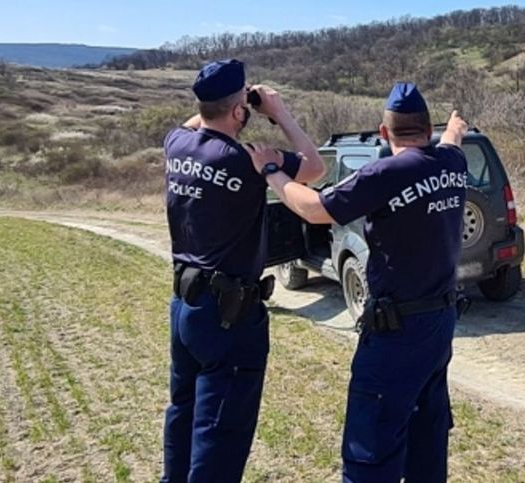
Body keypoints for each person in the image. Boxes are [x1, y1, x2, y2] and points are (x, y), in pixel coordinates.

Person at [247, 82, 469, 483]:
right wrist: (454, 126)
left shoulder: (387, 171)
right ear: (428, 129)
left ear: (384, 134)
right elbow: (453, 139)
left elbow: (314, 209)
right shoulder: (452, 162)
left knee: (371, 453)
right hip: (438, 325)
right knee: (427, 441)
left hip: (396, 334)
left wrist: (271, 171)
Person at [161, 59, 325, 483]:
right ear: (240, 112)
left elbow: (201, 119)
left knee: (183, 412)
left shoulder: (176, 143)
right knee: (220, 431)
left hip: (185, 306)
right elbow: (314, 166)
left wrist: (227, 105)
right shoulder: (247, 159)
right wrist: (278, 112)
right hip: (229, 318)